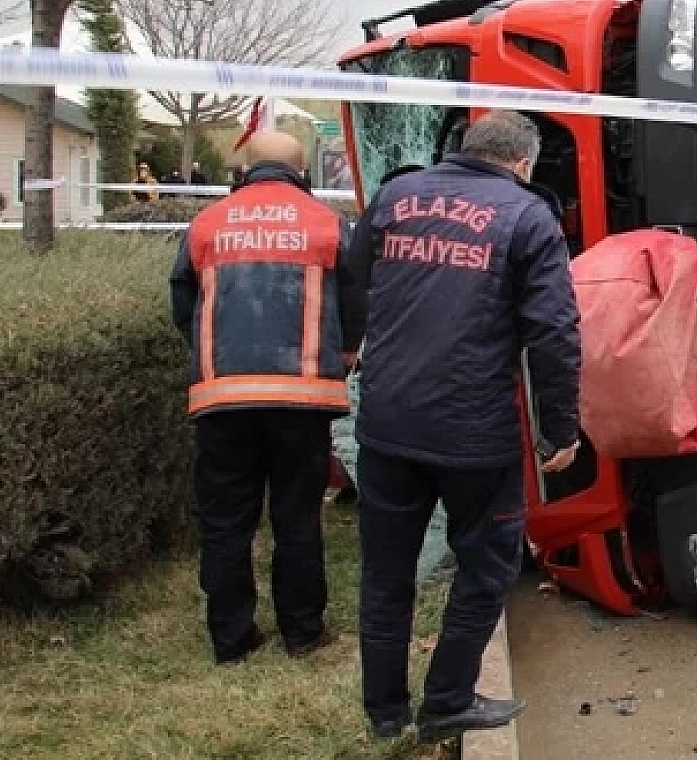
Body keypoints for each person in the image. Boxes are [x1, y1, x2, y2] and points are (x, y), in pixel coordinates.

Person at [347, 110, 583, 743]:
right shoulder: (528, 216)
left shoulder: (396, 196)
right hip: (473, 435)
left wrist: (352, 350)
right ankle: (447, 700)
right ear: (524, 162)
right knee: (487, 566)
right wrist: (562, 428)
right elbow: (554, 331)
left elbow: (353, 280)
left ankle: (386, 713)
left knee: (385, 573)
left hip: (387, 424)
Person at [168, 131, 364, 664]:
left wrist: (215, 352)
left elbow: (183, 299)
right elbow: (355, 300)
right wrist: (342, 358)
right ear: (303, 174)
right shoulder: (327, 224)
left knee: (226, 518)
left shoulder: (206, 223)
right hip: (303, 398)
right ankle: (303, 633)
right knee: (297, 516)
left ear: (243, 171)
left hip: (222, 395)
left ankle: (231, 640)